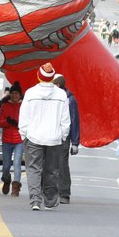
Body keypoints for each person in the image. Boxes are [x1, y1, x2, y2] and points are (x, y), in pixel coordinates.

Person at [18, 63, 70, 211]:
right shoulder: (61, 94)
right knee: (52, 169)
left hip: (34, 136)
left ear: (38, 76)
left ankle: (35, 200)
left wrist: (24, 135)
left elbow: (24, 117)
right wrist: (63, 136)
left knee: (33, 169)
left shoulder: (30, 93)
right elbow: (65, 120)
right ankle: (50, 200)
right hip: (54, 138)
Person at [52, 74, 80, 204]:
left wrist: (75, 142)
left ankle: (64, 193)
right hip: (49, 134)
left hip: (64, 136)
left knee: (62, 164)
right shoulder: (50, 97)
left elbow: (74, 120)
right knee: (49, 164)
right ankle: (50, 190)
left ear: (57, 85)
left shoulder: (70, 99)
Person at [0, 84, 25, 196]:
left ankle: (16, 186)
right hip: (7, 139)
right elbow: (0, 122)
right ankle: (7, 179)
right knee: (6, 165)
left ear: (20, 94)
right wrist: (8, 122)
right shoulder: (5, 106)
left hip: (19, 139)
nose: (14, 96)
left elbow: (27, 121)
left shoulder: (24, 106)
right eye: (13, 93)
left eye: (16, 93)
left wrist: (18, 124)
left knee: (17, 163)